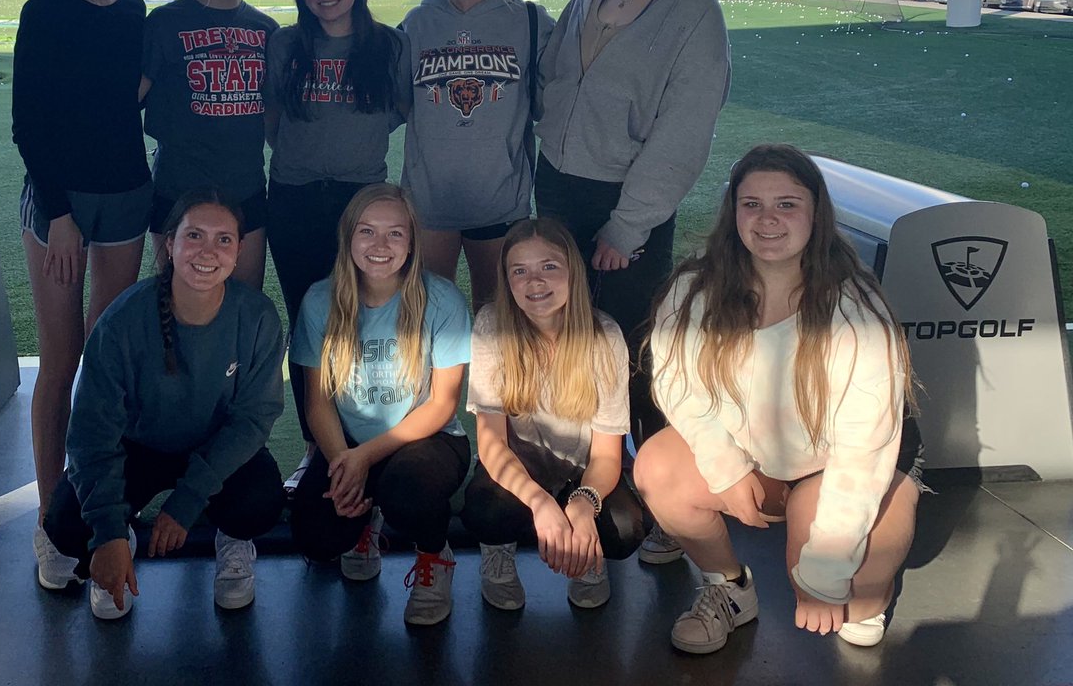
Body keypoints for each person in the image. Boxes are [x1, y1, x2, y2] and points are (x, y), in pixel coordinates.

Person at [633, 144, 922, 655]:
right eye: (752, 205)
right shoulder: (696, 290)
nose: (767, 219)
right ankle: (728, 587)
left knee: (853, 598)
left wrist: (826, 572)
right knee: (657, 468)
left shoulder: (856, 310)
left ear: (816, 213)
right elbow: (678, 386)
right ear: (733, 213)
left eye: (787, 204)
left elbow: (865, 446)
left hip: (837, 468)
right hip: (754, 464)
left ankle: (871, 589)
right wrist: (726, 466)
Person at [534, 0, 730, 490]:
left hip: (625, 202)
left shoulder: (695, 12)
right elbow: (550, 83)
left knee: (633, 348)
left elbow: (684, 132)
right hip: (558, 188)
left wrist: (629, 224)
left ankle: (660, 491)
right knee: (569, 336)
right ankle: (582, 467)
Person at [43, 189, 286, 619]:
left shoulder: (258, 318)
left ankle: (231, 538)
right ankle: (120, 543)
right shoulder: (122, 321)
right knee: (66, 523)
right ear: (169, 244)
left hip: (214, 447)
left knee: (260, 502)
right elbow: (91, 431)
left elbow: (253, 419)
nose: (208, 251)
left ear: (239, 251)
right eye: (194, 235)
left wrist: (187, 501)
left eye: (223, 239)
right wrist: (108, 532)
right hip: (138, 448)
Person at [12, 0, 153, 591]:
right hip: (61, 207)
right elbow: (27, 124)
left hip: (128, 194)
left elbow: (135, 95)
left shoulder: (134, 10)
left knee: (105, 361)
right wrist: (60, 213)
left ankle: (99, 510)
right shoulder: (44, 11)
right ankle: (49, 520)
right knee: (61, 359)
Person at [288, 184, 471, 627]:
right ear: (348, 237)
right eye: (367, 231)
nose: (380, 246)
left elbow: (442, 405)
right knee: (315, 534)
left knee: (408, 491)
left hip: (427, 438)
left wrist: (362, 460)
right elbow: (318, 404)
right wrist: (341, 466)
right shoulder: (319, 299)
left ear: (412, 242)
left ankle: (433, 555)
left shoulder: (441, 298)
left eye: (395, 234)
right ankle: (363, 521)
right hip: (349, 443)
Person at [265, 0, 411, 485]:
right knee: (312, 321)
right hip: (296, 198)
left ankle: (370, 436)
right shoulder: (285, 45)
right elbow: (273, 118)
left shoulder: (388, 47)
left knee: (361, 318)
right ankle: (316, 444)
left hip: (361, 201)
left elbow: (397, 111)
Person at [461, 218, 644, 611]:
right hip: (517, 468)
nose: (535, 282)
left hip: (581, 472)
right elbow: (491, 444)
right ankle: (498, 552)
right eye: (520, 271)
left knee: (624, 528)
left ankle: (587, 555)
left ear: (572, 271)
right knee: (483, 508)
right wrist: (540, 503)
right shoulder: (492, 326)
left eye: (549, 266)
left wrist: (581, 504)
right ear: (506, 280)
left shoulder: (604, 337)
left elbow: (608, 456)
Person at [401, 0, 554, 310]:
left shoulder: (529, 19)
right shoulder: (417, 23)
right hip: (429, 202)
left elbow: (557, 96)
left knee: (499, 319)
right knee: (430, 320)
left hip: (500, 200)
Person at [139, 0, 278, 290]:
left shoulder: (266, 29)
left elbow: (272, 118)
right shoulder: (166, 23)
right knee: (177, 307)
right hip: (178, 189)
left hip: (245, 188)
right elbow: (127, 102)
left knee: (243, 302)